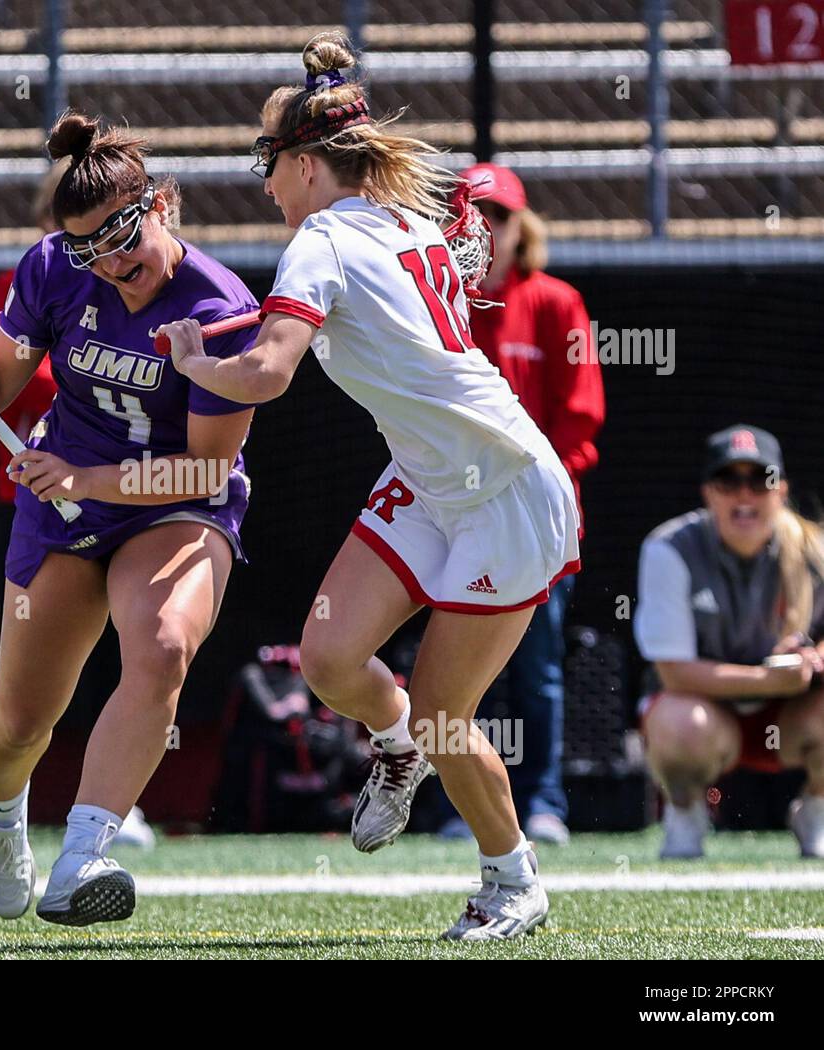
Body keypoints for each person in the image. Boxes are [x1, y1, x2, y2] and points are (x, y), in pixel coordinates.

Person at [158, 31, 580, 940]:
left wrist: (195, 360)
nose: (263, 185)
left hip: (507, 490)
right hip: (430, 478)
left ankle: (514, 881)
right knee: (328, 660)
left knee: (442, 718)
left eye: (266, 165)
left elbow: (269, 375)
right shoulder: (401, 224)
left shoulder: (322, 240)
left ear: (306, 164)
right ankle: (393, 748)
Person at [0, 111, 258, 925]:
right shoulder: (54, 269)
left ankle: (85, 854)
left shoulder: (223, 307)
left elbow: (203, 467)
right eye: (89, 248)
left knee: (162, 647)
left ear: (160, 203)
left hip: (174, 507)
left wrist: (87, 475)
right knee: (20, 720)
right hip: (65, 504)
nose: (112, 262)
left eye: (123, 235)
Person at [0, 162, 155, 852]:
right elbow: (5, 381)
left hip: (122, 499)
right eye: (70, 233)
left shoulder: (153, 294)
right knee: (13, 668)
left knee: (124, 652)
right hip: (40, 502)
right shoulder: (29, 280)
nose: (91, 254)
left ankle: (110, 803)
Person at [432, 163, 605, 846]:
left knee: (538, 671)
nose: (487, 230)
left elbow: (580, 421)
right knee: (455, 673)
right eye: (475, 215)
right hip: (455, 511)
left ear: (520, 226)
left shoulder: (558, 303)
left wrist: (532, 491)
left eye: (499, 216)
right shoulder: (441, 300)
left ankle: (545, 804)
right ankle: (456, 810)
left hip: (532, 519)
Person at [633, 424, 824, 859]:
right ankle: (685, 809)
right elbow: (673, 672)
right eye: (729, 481)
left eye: (760, 481)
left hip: (790, 719)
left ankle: (817, 807)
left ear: (782, 490)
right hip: (705, 715)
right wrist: (768, 680)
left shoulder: (816, 550)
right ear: (708, 492)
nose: (745, 495)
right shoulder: (669, 548)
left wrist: (811, 661)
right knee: (681, 724)